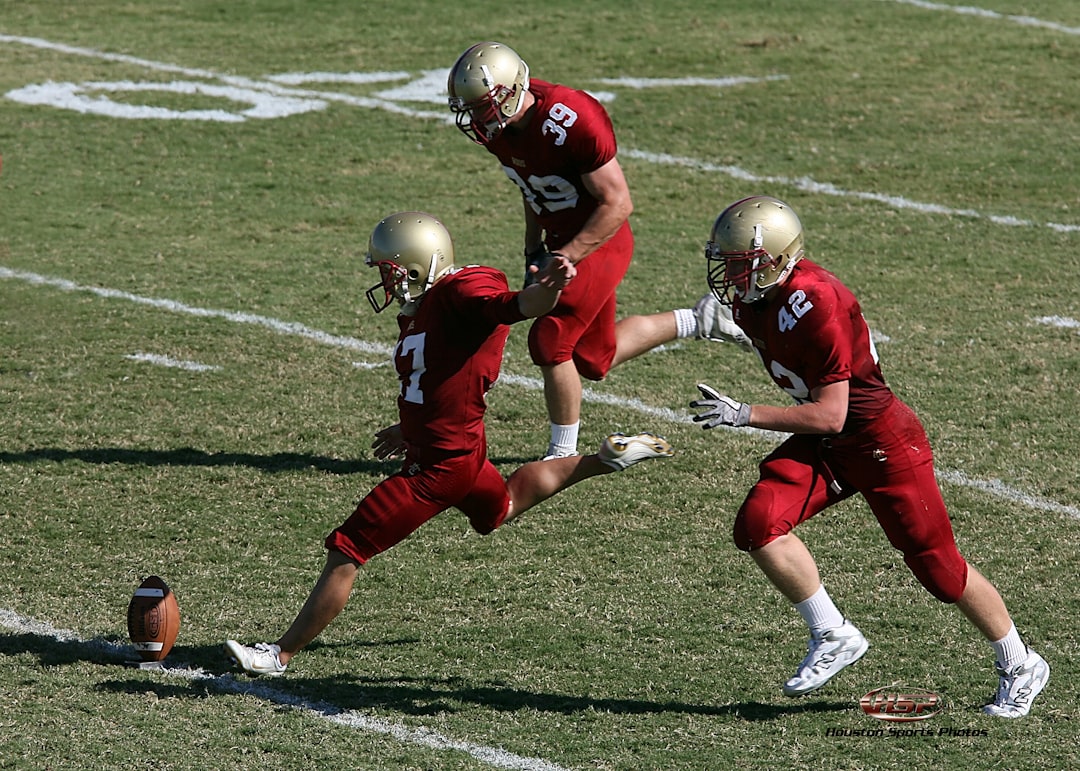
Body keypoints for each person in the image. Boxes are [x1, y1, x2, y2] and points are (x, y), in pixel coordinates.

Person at [224, 211, 673, 676]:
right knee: (500, 509)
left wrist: (549, 289)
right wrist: (411, 426)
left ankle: (278, 654)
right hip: (461, 450)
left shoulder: (462, 291)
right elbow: (442, 374)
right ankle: (605, 459)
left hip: (437, 468)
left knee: (348, 548)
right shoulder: (429, 304)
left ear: (418, 265)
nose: (385, 279)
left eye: (390, 269)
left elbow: (516, 306)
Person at [688, 195, 1049, 718]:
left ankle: (1021, 662)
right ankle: (833, 633)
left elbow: (831, 414)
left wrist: (744, 413)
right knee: (759, 522)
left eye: (741, 263)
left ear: (774, 259)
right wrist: (689, 322)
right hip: (834, 444)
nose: (730, 274)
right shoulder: (752, 299)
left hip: (878, 439)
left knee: (939, 569)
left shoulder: (819, 302)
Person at [447, 41, 741, 460]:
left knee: (549, 342)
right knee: (593, 359)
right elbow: (533, 188)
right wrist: (534, 244)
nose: (475, 117)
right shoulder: (500, 130)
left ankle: (561, 454)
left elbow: (618, 203)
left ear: (511, 93)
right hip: (560, 241)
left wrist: (567, 254)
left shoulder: (570, 118)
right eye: (470, 107)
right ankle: (700, 319)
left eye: (481, 106)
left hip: (599, 240)